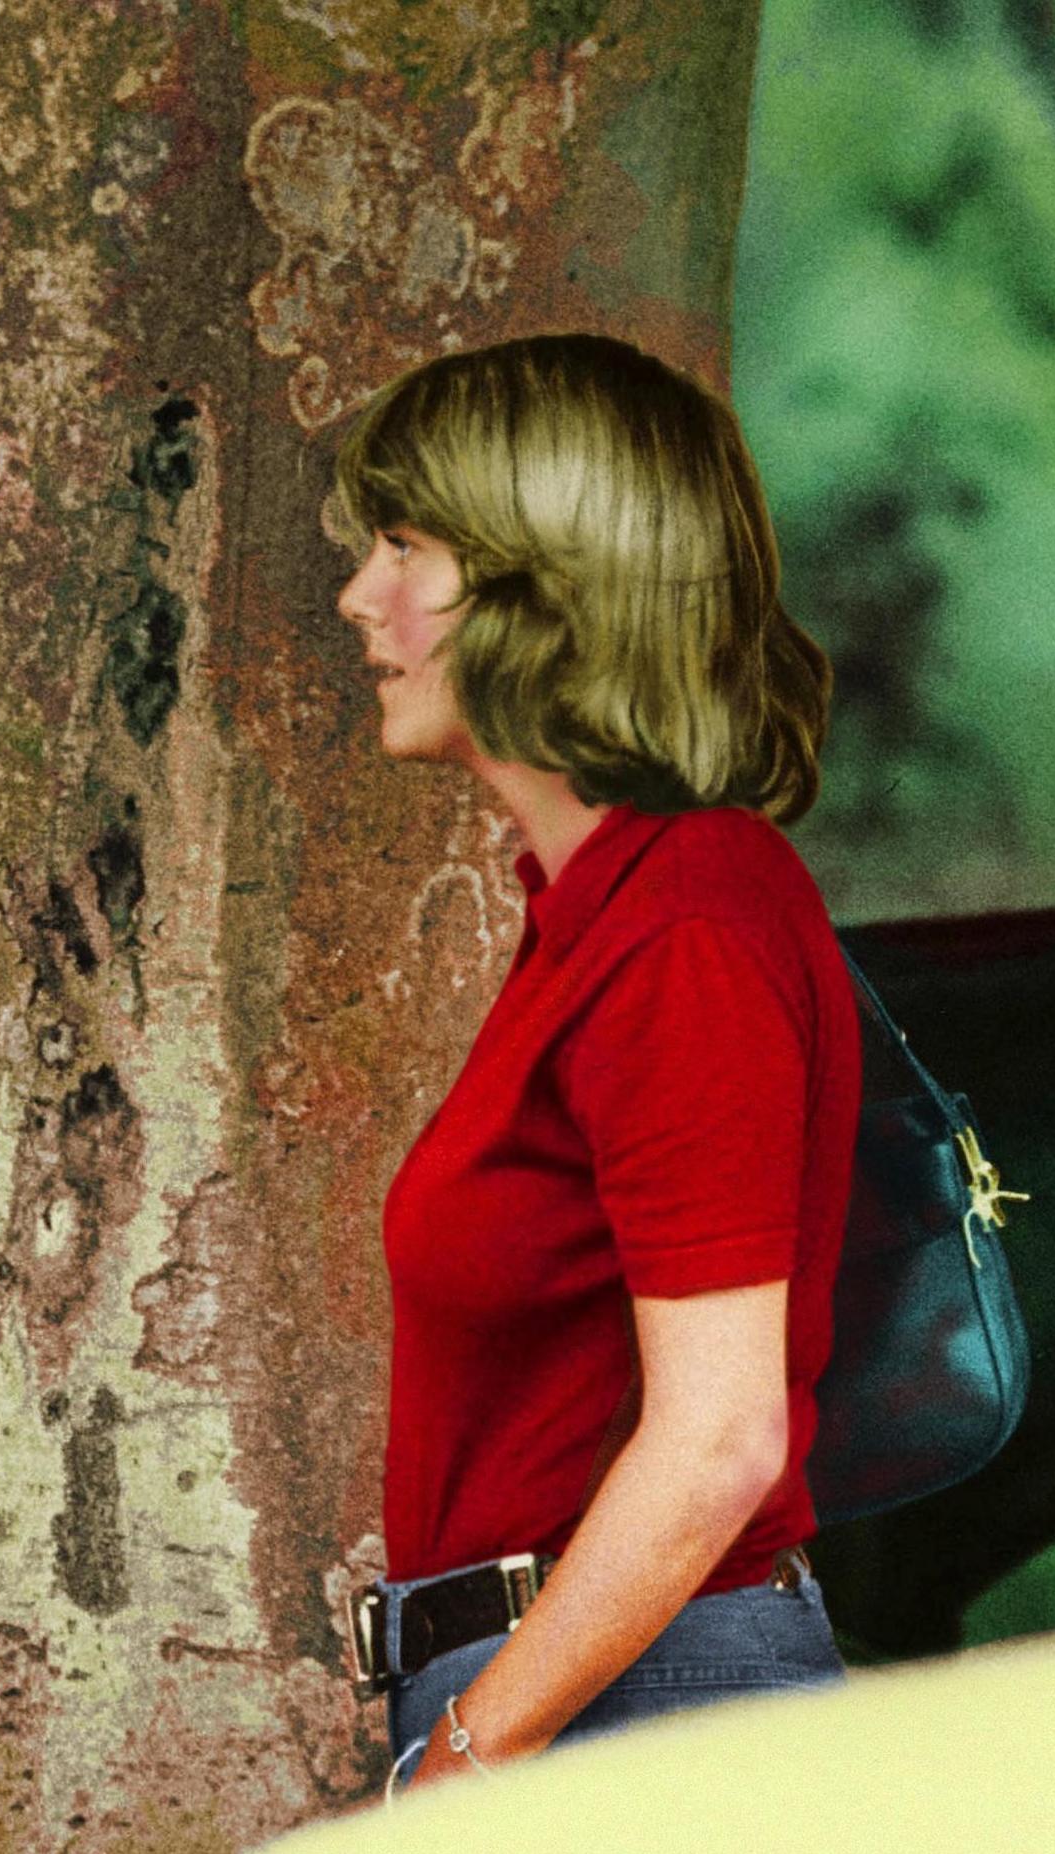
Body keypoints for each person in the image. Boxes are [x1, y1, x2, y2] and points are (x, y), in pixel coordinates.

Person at [330, 333, 856, 1790]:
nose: (358, 597)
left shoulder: (687, 920)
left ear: (546, 584)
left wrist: (471, 1754)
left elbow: (719, 1439)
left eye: (408, 546)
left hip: (646, 1706)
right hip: (590, 1697)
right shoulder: (599, 910)